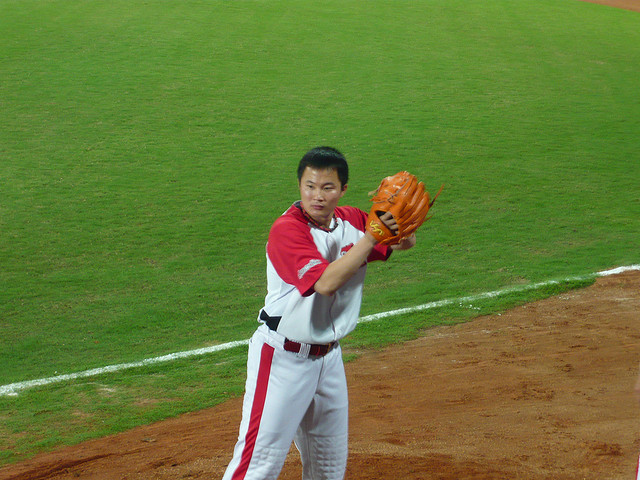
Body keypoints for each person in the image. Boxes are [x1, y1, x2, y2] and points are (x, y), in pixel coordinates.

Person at [221, 146, 417, 480]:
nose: (318, 196)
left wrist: (405, 230)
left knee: (328, 467)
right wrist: (371, 238)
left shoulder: (353, 220)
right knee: (258, 465)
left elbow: (398, 243)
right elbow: (325, 283)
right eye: (310, 186)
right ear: (300, 186)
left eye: (327, 188)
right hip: (282, 359)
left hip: (329, 360)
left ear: (342, 190)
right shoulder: (287, 230)